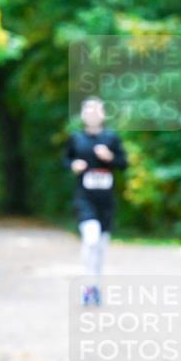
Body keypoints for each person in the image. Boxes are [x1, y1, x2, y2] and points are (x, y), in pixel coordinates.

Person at [64, 96, 128, 306]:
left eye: (96, 110)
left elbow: (123, 163)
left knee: (100, 248)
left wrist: (110, 157)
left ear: (102, 114)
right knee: (90, 241)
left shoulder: (111, 138)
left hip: (106, 201)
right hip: (85, 199)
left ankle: (95, 286)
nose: (92, 114)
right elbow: (66, 160)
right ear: (83, 115)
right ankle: (87, 286)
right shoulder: (76, 139)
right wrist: (74, 165)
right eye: (88, 110)